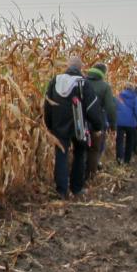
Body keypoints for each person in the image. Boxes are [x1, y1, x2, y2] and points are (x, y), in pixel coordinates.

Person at [43, 56, 94, 199]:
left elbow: (48, 104)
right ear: (80, 68)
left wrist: (49, 124)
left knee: (61, 155)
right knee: (80, 153)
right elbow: (92, 107)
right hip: (79, 126)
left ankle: (61, 190)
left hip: (59, 126)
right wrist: (96, 126)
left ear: (67, 66)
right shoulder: (83, 83)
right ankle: (76, 188)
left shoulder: (55, 81)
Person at [82, 63, 116, 180]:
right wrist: (113, 125)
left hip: (80, 122)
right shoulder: (105, 87)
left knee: (80, 149)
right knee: (94, 149)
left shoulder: (82, 82)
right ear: (103, 73)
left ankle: (77, 176)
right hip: (96, 123)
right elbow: (110, 107)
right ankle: (90, 176)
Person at [116, 83, 137, 164]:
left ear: (124, 88)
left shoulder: (119, 96)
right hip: (131, 123)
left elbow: (113, 108)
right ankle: (127, 160)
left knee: (119, 141)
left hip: (119, 122)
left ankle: (119, 158)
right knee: (130, 141)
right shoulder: (135, 98)